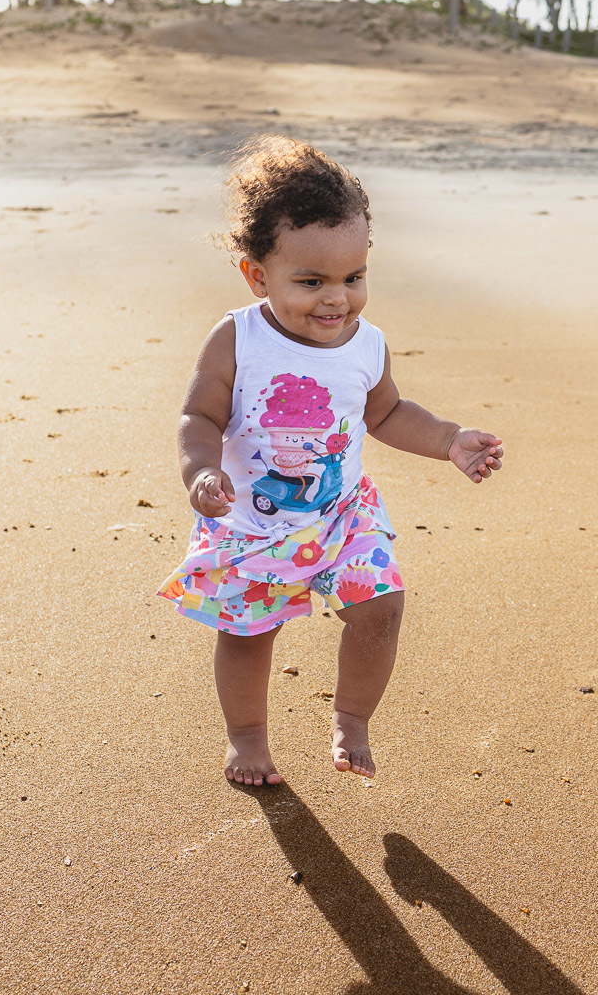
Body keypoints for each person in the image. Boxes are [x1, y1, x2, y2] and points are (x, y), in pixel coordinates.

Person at [158, 137, 503, 786]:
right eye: (310, 281)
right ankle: (249, 737)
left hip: (341, 515)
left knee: (382, 608)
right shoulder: (238, 338)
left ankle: (351, 719)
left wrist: (449, 439)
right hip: (252, 523)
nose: (335, 298)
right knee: (247, 634)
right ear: (257, 276)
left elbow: (386, 414)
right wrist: (200, 471)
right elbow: (197, 417)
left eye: (352, 278)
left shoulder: (365, 345)